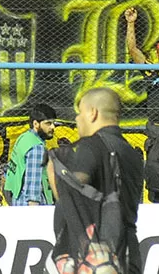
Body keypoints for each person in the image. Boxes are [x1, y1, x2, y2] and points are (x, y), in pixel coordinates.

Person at [46, 88, 143, 274]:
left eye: (79, 113)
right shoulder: (132, 153)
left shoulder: (90, 147)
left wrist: (55, 172)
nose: (76, 119)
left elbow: (74, 192)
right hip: (130, 251)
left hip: (99, 256)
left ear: (93, 113)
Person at [3, 104, 56, 205]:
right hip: (31, 206)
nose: (53, 127)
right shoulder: (37, 148)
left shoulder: (23, 138)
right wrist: (33, 209)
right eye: (48, 123)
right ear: (36, 124)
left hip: (18, 200)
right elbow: (33, 184)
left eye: (53, 123)